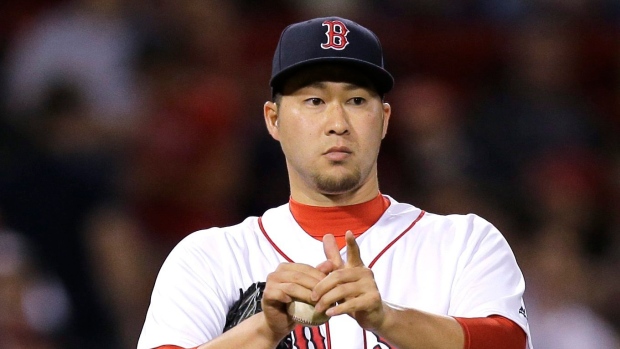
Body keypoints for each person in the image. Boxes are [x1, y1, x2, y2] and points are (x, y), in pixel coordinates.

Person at [137, 16, 533, 349]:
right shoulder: (211, 257)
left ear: (385, 119)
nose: (338, 123)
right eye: (314, 101)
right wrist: (265, 329)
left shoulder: (464, 243)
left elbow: (509, 342)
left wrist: (386, 319)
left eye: (357, 101)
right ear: (273, 120)